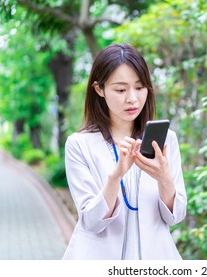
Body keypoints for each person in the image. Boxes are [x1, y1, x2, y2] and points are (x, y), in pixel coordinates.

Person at [62, 43, 187, 260]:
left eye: (139, 88)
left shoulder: (166, 140)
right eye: (120, 90)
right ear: (99, 90)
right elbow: (91, 221)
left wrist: (164, 179)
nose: (132, 98)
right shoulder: (79, 145)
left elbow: (176, 216)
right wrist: (116, 175)